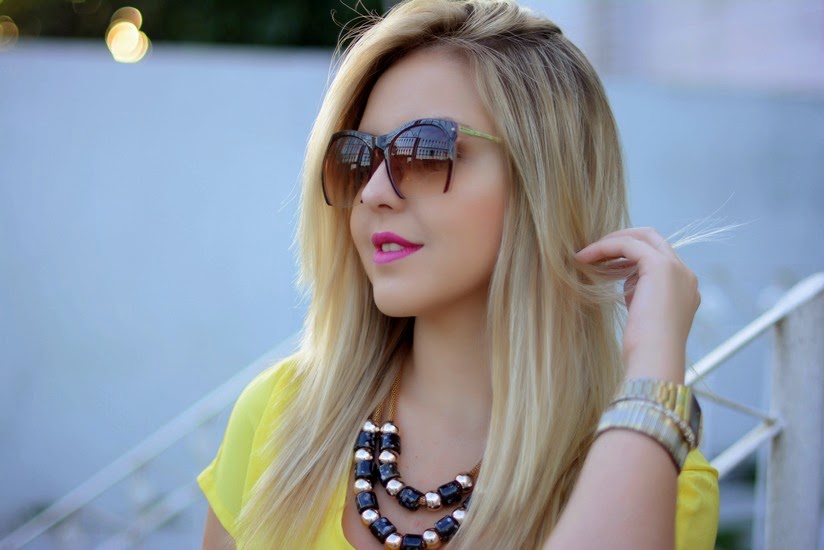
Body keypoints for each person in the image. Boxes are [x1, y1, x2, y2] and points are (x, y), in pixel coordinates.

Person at [198, 0, 720, 548]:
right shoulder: (279, 417)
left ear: (543, 179)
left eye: (426, 152)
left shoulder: (655, 482)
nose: (373, 193)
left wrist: (655, 363)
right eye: (360, 157)